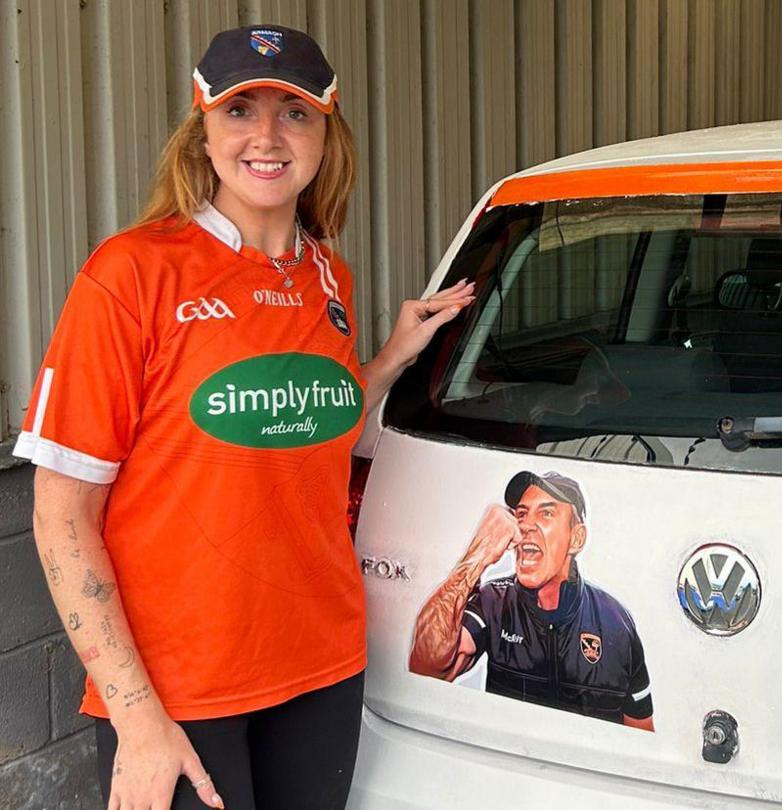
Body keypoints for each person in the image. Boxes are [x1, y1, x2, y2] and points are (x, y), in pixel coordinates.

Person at [15, 24, 474, 810]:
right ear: (203, 131)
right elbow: (61, 517)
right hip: (181, 688)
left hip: (322, 662)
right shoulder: (130, 274)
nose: (266, 136)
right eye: (239, 111)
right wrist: (136, 715)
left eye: (293, 113)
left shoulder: (329, 274)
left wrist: (391, 359)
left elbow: (301, 427)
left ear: (328, 133)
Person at [409, 471, 655, 731]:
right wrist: (476, 557)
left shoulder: (614, 621)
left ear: (576, 538)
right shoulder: (494, 602)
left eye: (546, 513)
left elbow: (641, 732)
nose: (525, 525)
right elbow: (426, 666)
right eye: (521, 514)